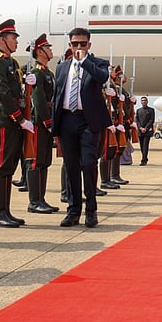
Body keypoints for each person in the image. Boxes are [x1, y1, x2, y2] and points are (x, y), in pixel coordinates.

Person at [51, 27, 111, 228]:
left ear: (89, 45)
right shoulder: (61, 67)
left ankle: (91, 210)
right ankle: (73, 210)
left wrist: (84, 61)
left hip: (88, 121)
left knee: (88, 164)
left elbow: (102, 78)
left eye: (82, 44)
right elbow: (57, 96)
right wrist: (55, 127)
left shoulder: (97, 63)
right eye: (75, 44)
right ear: (69, 45)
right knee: (71, 167)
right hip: (67, 120)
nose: (78, 47)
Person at [0, 19, 34, 227]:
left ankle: (5, 211)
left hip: (14, 120)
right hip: (6, 120)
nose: (16, 41)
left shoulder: (12, 63)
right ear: (2, 39)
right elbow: (3, 94)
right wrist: (20, 118)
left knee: (10, 166)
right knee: (2, 166)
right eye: (13, 38)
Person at [26, 33, 59, 214]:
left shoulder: (48, 73)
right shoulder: (37, 72)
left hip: (48, 119)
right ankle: (34, 201)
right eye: (48, 47)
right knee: (37, 161)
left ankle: (41, 199)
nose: (51, 50)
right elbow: (38, 99)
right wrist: (47, 121)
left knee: (45, 160)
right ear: (39, 51)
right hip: (40, 121)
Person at [136, 96, 156, 165]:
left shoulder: (151, 110)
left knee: (145, 146)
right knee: (141, 146)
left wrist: (146, 128)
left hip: (147, 131)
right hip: (140, 131)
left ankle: (143, 160)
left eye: (145, 100)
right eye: (142, 100)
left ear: (147, 101)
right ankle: (145, 157)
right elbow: (137, 120)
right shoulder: (138, 110)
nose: (143, 101)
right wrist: (140, 128)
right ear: (141, 102)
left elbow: (151, 120)